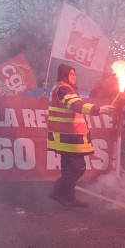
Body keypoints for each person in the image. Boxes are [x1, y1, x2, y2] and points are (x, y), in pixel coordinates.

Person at [47, 64, 114, 208]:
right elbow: (76, 105)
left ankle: (69, 197)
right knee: (79, 167)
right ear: (64, 75)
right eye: (71, 74)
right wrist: (100, 109)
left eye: (75, 74)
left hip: (66, 136)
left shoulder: (62, 88)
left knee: (68, 168)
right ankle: (58, 191)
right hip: (68, 137)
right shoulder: (63, 88)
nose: (74, 76)